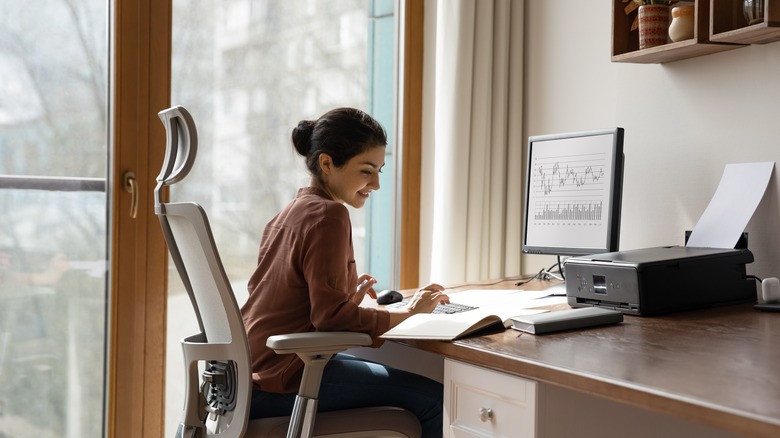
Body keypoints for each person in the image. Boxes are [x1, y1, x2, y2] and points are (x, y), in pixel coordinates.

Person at [241, 107, 449, 437]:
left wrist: (345, 301)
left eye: (380, 170)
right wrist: (410, 312)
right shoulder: (329, 215)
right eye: (367, 171)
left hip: (249, 378)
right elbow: (331, 319)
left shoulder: (289, 213)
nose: (377, 184)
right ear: (326, 163)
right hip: (285, 379)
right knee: (436, 400)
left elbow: (288, 303)